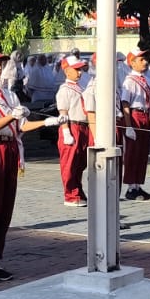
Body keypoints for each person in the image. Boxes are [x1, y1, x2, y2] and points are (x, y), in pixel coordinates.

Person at [0, 44, 61, 283]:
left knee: (4, 207)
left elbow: (21, 126)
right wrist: (12, 115)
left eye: (0, 63)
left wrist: (46, 122)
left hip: (9, 148)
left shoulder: (8, 94)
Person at [53, 54, 90, 208]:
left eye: (80, 69)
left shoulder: (80, 87)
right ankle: (70, 194)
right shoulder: (64, 89)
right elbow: (63, 112)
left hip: (83, 126)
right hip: (72, 126)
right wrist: (66, 132)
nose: (79, 72)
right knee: (70, 163)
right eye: (76, 69)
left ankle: (78, 190)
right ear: (67, 71)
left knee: (80, 163)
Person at [120, 48, 150, 201]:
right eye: (141, 59)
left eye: (145, 59)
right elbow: (125, 103)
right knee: (133, 152)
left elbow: (149, 102)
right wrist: (129, 126)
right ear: (132, 63)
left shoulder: (146, 79)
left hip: (145, 115)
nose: (145, 62)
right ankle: (130, 187)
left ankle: (137, 184)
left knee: (142, 152)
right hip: (134, 116)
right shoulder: (129, 81)